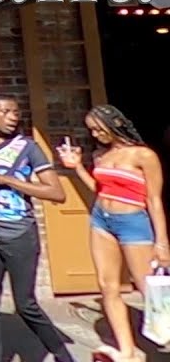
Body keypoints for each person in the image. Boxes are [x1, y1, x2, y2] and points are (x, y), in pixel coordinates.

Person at [0, 95, 73, 362]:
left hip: (19, 233)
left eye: (16, 112)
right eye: (6, 111)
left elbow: (57, 193)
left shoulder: (28, 147)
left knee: (25, 304)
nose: (13, 117)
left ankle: (63, 355)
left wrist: (6, 179)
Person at [56, 105, 169, 362]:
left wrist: (162, 242)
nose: (96, 135)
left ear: (114, 124)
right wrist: (76, 167)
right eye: (92, 130)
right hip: (101, 219)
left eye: (99, 129)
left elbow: (154, 200)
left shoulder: (144, 155)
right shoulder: (101, 156)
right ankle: (128, 352)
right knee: (108, 286)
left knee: (150, 291)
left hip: (133, 222)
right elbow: (99, 188)